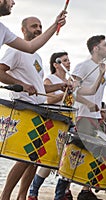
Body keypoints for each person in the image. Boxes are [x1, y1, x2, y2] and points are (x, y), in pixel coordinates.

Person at [0, 17, 67, 200]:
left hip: (38, 108)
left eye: (40, 26)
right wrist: (20, 84)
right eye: (34, 26)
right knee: (25, 158)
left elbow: (38, 88)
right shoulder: (15, 50)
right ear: (23, 30)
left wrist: (58, 87)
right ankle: (5, 196)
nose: (38, 29)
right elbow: (0, 72)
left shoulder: (36, 56)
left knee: (34, 160)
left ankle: (22, 197)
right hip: (24, 109)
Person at [28, 52, 73, 200]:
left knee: (67, 159)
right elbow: (49, 100)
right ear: (55, 64)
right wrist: (65, 93)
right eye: (64, 60)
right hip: (54, 122)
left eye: (68, 60)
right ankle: (33, 192)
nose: (68, 63)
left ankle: (60, 195)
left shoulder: (70, 80)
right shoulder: (49, 79)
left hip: (68, 122)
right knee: (49, 162)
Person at [71, 35, 106, 200]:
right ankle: (64, 191)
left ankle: (86, 190)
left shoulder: (101, 67)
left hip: (95, 115)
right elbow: (74, 91)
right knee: (79, 151)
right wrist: (88, 103)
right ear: (96, 48)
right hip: (83, 115)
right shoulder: (83, 66)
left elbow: (96, 92)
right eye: (105, 45)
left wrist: (100, 109)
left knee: (92, 152)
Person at [0, 0, 67, 53]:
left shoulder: (3, 30)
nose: (13, 2)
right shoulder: (12, 52)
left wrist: (55, 25)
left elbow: (30, 47)